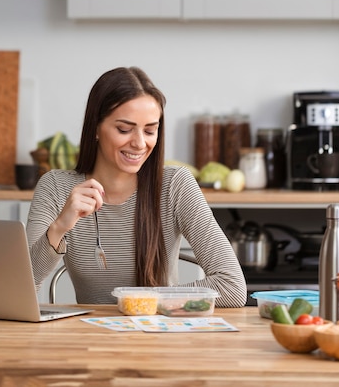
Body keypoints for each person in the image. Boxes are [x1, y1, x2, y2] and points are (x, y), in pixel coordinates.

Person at [26, 66, 247, 306]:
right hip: (91, 340)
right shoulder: (56, 186)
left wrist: (140, 301)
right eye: (124, 129)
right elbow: (20, 287)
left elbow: (232, 287)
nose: (140, 143)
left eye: (150, 130)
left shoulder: (175, 185)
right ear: (96, 128)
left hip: (159, 336)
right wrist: (59, 227)